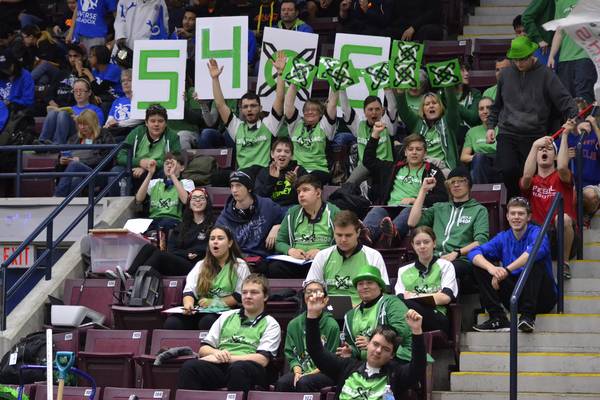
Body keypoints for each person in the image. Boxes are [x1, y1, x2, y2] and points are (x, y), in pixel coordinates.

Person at [485, 35, 578, 200]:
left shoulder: (546, 74)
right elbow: (497, 104)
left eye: (522, 59)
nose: (518, 63)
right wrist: (491, 126)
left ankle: (528, 209)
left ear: (531, 55)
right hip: (508, 133)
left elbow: (565, 100)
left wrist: (574, 119)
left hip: (535, 135)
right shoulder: (505, 75)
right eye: (515, 60)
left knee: (530, 176)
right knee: (508, 170)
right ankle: (517, 204)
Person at [305, 289, 426, 400]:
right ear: (368, 345)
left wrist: (417, 331)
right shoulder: (346, 367)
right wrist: (312, 315)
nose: (378, 350)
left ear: (392, 355)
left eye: (385, 349)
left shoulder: (396, 375)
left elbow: (419, 366)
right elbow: (315, 351)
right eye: (375, 344)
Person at [177, 273, 281, 391]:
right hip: (222, 366)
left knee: (238, 368)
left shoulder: (271, 323)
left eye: (254, 292)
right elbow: (203, 349)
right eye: (244, 292)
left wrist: (227, 358)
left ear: (265, 296)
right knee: (190, 367)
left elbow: (262, 359)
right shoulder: (226, 316)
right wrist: (216, 353)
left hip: (251, 369)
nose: (248, 296)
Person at [469, 197, 557, 332]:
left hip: (542, 297)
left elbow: (533, 252)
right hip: (515, 295)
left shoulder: (537, 232)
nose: (516, 217)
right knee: (479, 265)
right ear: (507, 217)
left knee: (534, 261)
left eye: (521, 214)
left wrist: (506, 270)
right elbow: (474, 252)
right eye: (513, 213)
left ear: (528, 217)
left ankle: (528, 317)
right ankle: (498, 318)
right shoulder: (503, 237)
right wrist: (492, 269)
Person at [408, 166, 489, 293]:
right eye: (452, 182)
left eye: (461, 181)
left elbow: (481, 241)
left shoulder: (479, 210)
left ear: (469, 185)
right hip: (433, 257)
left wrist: (457, 253)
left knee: (445, 269)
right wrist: (423, 191)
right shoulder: (439, 208)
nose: (456, 185)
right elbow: (412, 222)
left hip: (461, 259)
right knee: (408, 271)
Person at [207, 52, 286, 178]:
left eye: (253, 106)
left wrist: (281, 73)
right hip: (243, 176)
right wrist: (215, 79)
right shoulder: (236, 127)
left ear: (260, 108)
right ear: (241, 110)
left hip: (262, 174)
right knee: (216, 177)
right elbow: (220, 104)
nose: (249, 109)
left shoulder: (269, 124)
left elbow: (280, 99)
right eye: (245, 107)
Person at [362, 132, 447, 247]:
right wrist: (375, 135)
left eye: (418, 149)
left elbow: (442, 197)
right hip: (390, 208)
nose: (414, 152)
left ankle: (393, 233)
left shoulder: (433, 171)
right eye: (410, 149)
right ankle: (366, 234)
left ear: (425, 152)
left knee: (408, 210)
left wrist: (414, 200)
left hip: (414, 211)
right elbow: (368, 160)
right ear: (405, 152)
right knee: (377, 210)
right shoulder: (393, 167)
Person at [164, 226, 251, 330]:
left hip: (228, 311)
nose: (215, 242)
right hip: (202, 310)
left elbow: (239, 296)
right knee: (172, 322)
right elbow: (189, 291)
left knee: (207, 321)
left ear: (230, 243)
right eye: (212, 238)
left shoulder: (239, 265)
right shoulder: (201, 265)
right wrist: (189, 305)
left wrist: (213, 303)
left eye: (220, 238)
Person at [124, 187, 216, 277]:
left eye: (201, 198)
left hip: (196, 266)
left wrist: (194, 253)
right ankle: (128, 275)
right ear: (189, 203)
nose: (197, 201)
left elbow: (209, 246)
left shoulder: (213, 224)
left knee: (160, 255)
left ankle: (138, 279)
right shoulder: (183, 225)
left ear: (207, 202)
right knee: (148, 247)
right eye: (194, 198)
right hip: (179, 260)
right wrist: (186, 254)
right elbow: (172, 249)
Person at [305, 210, 389, 305]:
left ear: (358, 233)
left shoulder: (373, 256)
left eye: (348, 235)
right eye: (339, 235)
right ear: (334, 233)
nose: (343, 240)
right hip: (328, 312)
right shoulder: (322, 256)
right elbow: (310, 288)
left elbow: (384, 292)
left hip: (362, 312)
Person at [520, 133, 575, 278]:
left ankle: (564, 264)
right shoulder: (532, 181)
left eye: (549, 149)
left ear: (556, 156)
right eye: (541, 149)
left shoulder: (561, 177)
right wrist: (534, 146)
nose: (544, 151)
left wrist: (564, 135)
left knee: (563, 218)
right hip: (538, 236)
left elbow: (563, 167)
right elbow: (526, 176)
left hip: (560, 236)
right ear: (535, 156)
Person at [264, 174, 340, 278]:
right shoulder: (292, 212)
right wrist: (291, 251)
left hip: (323, 260)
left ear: (318, 193)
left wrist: (321, 252)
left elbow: (342, 243)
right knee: (274, 268)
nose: (301, 195)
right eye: (299, 191)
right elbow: (280, 242)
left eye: (305, 190)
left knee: (330, 266)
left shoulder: (333, 212)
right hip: (297, 262)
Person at [275, 279, 339, 392]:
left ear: (325, 298)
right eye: (308, 291)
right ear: (304, 296)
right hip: (301, 370)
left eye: (317, 291)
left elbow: (332, 358)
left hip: (324, 372)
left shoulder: (332, 325)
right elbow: (291, 355)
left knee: (304, 382)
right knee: (282, 383)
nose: (312, 294)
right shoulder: (293, 324)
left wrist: (309, 374)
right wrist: (298, 372)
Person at [341, 265, 412, 363]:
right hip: (365, 365)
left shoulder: (392, 303)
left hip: (399, 359)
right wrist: (350, 351)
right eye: (360, 284)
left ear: (380, 286)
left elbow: (401, 332)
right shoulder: (350, 315)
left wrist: (373, 342)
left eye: (370, 283)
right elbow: (353, 346)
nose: (365, 287)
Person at [396, 226, 458, 335]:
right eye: (418, 243)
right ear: (413, 246)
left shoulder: (446, 266)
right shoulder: (403, 270)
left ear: (434, 243)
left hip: (437, 317)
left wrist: (412, 296)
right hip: (409, 317)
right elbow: (400, 301)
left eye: (426, 242)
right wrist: (434, 296)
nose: (422, 246)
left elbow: (445, 297)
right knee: (395, 303)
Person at [112, 103, 182, 193]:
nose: (156, 124)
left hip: (158, 171)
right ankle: (118, 205)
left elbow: (174, 159)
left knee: (168, 171)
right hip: (134, 169)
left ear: (166, 123)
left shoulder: (173, 136)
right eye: (152, 121)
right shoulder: (137, 132)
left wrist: (148, 166)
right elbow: (121, 156)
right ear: (146, 122)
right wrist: (140, 162)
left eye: (160, 121)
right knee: (116, 171)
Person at [216, 170, 285, 258]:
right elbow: (217, 239)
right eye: (232, 186)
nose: (234, 190)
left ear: (249, 188)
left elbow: (288, 220)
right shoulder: (225, 216)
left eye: (238, 186)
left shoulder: (267, 205)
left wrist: (278, 226)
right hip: (237, 259)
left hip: (263, 259)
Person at [396, 87, 460, 176]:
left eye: (434, 103)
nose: (431, 106)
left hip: (442, 168)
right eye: (427, 104)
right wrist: (400, 93)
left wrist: (448, 86)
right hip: (421, 166)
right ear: (423, 109)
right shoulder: (417, 123)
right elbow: (403, 110)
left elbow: (453, 106)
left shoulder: (448, 122)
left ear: (441, 107)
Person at [339, 89, 397, 185]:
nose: (374, 112)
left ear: (382, 111)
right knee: (348, 185)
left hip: (384, 165)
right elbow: (345, 109)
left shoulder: (388, 124)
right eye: (370, 109)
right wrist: (341, 89)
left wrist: (388, 90)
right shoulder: (358, 125)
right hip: (365, 165)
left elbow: (393, 107)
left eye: (377, 109)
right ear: (364, 112)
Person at [284, 84, 338, 185]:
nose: (310, 112)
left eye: (314, 110)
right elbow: (288, 105)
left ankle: (299, 184)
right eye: (306, 110)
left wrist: (335, 83)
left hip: (319, 170)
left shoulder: (325, 126)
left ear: (321, 113)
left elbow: (332, 105)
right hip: (297, 169)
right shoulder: (296, 125)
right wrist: (294, 82)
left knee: (311, 178)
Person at [54, 109, 115, 196]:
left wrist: (81, 161)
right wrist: (61, 161)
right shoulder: (74, 138)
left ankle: (58, 196)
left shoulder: (105, 135)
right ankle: (70, 205)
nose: (82, 127)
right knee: (76, 180)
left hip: (97, 173)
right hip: (77, 175)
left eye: (85, 124)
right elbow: (64, 155)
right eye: (80, 124)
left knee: (75, 165)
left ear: (93, 123)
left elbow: (106, 159)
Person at [547, 0, 597, 104]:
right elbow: (559, 32)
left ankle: (586, 120)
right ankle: (572, 120)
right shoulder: (560, 2)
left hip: (586, 56)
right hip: (565, 58)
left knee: (584, 95)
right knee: (567, 97)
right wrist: (551, 55)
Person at [135, 153, 195, 231]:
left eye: (173, 164)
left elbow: (185, 200)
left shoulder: (187, 182)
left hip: (173, 220)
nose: (169, 166)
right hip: (153, 219)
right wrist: (150, 174)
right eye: (166, 163)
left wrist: (172, 175)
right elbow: (139, 198)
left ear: (182, 168)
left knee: (164, 224)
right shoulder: (155, 182)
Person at [38, 78, 104, 145]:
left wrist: (77, 120)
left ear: (89, 93)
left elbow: (98, 129)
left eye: (81, 91)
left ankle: (57, 144)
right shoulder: (70, 108)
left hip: (80, 136)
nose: (78, 94)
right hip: (67, 135)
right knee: (53, 113)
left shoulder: (96, 109)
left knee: (63, 114)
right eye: (75, 91)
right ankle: (42, 141)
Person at [561, 116, 600, 221]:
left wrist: (595, 126)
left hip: (593, 183)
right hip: (572, 182)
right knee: (570, 196)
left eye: (580, 117)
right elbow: (553, 158)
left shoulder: (594, 135)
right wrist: (566, 156)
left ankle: (586, 217)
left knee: (590, 196)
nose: (577, 121)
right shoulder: (566, 136)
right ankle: (576, 222)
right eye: (574, 117)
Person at [254, 137, 308, 208]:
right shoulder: (264, 172)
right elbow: (259, 199)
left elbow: (307, 196)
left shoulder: (299, 170)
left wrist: (295, 182)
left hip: (291, 209)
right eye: (279, 151)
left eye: (287, 152)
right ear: (272, 154)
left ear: (291, 156)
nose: (282, 154)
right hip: (270, 209)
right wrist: (272, 179)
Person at [460, 97, 501, 184]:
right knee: (479, 159)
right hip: (480, 165)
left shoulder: (503, 128)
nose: (485, 111)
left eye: (489, 108)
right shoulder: (472, 132)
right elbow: (464, 157)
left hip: (498, 164)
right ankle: (481, 195)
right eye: (481, 109)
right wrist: (480, 157)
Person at [104, 69, 142, 140]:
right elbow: (110, 119)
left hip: (131, 134)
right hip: (115, 133)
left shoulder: (140, 100)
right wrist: (108, 124)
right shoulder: (117, 101)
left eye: (129, 80)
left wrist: (118, 123)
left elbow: (140, 119)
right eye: (123, 81)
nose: (125, 83)